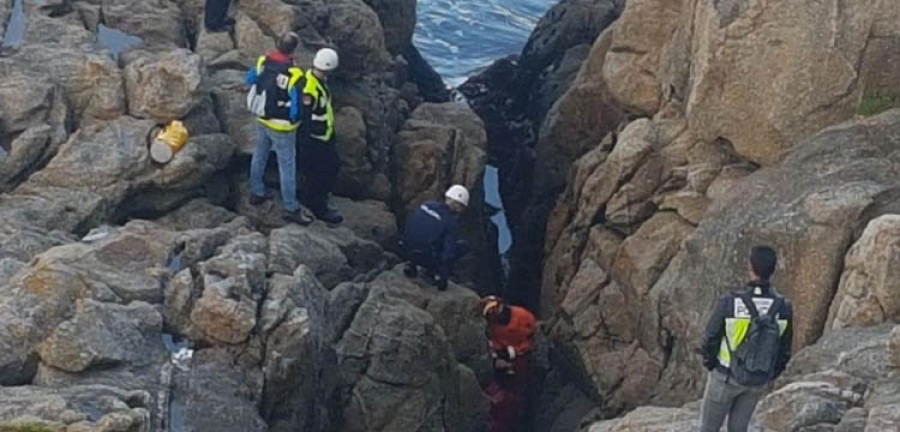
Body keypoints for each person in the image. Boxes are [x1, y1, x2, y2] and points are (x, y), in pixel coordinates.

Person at [699, 245, 794, 432]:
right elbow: (785, 348)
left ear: (751, 268)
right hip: (757, 380)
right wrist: (769, 374)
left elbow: (710, 337)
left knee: (709, 428)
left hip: (724, 376)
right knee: (739, 428)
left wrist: (710, 364)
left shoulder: (730, 302)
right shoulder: (783, 307)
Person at [246, 32, 313, 225]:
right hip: (283, 126)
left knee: (260, 154)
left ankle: (256, 191)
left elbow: (249, 80)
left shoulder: (262, 62)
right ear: (294, 50)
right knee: (287, 166)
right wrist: (297, 121)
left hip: (263, 118)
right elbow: (297, 107)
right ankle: (291, 207)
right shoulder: (295, 74)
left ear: (277, 45)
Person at [298, 48, 343, 224]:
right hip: (315, 138)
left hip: (323, 136)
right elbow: (306, 116)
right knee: (321, 173)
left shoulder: (315, 81)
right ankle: (318, 206)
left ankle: (316, 200)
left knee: (328, 168)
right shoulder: (310, 88)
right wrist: (306, 140)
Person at [480, 296, 536, 432]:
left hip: (522, 359)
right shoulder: (492, 325)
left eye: (496, 307)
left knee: (521, 393)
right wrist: (497, 359)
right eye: (490, 311)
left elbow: (533, 340)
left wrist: (512, 353)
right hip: (500, 362)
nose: (495, 312)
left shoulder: (522, 316)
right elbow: (491, 344)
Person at [401, 185, 470, 290]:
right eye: (462, 207)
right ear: (456, 205)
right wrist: (443, 279)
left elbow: (411, 225)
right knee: (462, 246)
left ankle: (411, 264)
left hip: (407, 249)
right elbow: (448, 253)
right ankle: (433, 273)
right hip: (426, 258)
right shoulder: (451, 222)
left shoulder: (426, 205)